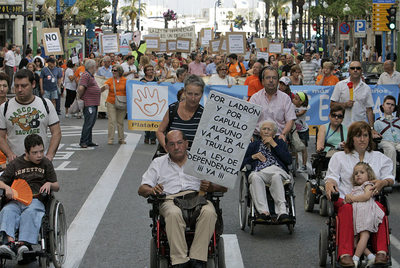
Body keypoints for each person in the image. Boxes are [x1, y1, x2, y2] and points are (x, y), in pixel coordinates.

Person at [138, 130, 226, 268]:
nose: (176, 147)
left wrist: (211, 187)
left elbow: (223, 187)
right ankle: (180, 261)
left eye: (180, 143)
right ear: (166, 147)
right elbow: (142, 189)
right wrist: (152, 189)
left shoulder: (201, 160)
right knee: (173, 214)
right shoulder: (158, 162)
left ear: (187, 143)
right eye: (172, 144)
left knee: (209, 212)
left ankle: (198, 259)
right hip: (170, 198)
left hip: (198, 196)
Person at [324, 121, 394, 267]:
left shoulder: (378, 157)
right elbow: (332, 177)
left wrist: (383, 183)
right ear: (351, 138)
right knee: (347, 209)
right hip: (346, 199)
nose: (362, 139)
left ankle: (381, 252)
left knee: (379, 209)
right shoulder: (339, 157)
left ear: (369, 138)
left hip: (369, 199)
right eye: (358, 136)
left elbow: (390, 177)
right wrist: (329, 184)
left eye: (365, 135)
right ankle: (345, 254)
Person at [0, 134, 59, 261]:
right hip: (17, 199)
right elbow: (1, 181)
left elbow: (57, 186)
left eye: (41, 151)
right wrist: (7, 188)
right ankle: (10, 243)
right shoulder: (15, 163)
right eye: (35, 152)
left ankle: (23, 243)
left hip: (36, 199)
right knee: (7, 210)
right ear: (26, 152)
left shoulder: (46, 163)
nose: (39, 155)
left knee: (30, 212)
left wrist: (49, 183)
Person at [0, 69, 61, 161]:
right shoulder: (4, 107)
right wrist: (10, 154)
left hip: (40, 162)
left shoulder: (46, 104)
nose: (19, 90)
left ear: (33, 84)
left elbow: (56, 132)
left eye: (24, 86)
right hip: (16, 164)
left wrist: (50, 155)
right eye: (17, 86)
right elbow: (0, 136)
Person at [242, 120, 292, 222]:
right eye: (263, 129)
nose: (265, 131)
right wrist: (253, 156)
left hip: (277, 170)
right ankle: (263, 212)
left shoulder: (279, 143)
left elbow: (288, 160)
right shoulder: (254, 145)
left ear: (274, 133)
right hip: (259, 172)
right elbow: (241, 163)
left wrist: (274, 145)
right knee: (255, 177)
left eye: (269, 129)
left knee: (276, 176)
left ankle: (282, 212)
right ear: (260, 132)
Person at [346, 162, 384, 267]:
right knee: (354, 242)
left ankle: (355, 259)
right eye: (356, 173)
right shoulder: (356, 188)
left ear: (368, 175)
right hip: (358, 215)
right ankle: (371, 257)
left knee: (364, 235)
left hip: (366, 213)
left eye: (362, 172)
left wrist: (352, 198)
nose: (358, 174)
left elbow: (366, 196)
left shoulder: (367, 185)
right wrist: (348, 197)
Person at [156, 75, 204, 151]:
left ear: (202, 94)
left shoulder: (204, 114)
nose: (193, 98)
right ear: (184, 92)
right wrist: (167, 148)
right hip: (172, 159)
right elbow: (160, 131)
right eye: (190, 94)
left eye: (197, 94)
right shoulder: (173, 109)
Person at [249, 66, 296, 141]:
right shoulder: (255, 98)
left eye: (274, 78)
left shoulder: (285, 98)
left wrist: (283, 134)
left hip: (278, 137)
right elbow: (249, 119)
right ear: (262, 81)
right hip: (257, 138)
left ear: (278, 81)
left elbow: (290, 120)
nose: (271, 80)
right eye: (268, 78)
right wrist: (249, 134)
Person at [330, 61, 377, 135]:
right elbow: (332, 105)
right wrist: (344, 105)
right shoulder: (340, 85)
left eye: (358, 68)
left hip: (360, 127)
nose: (355, 70)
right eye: (352, 68)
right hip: (343, 126)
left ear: (361, 70)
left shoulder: (366, 88)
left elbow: (369, 110)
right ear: (349, 70)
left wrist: (371, 128)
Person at [77, 59, 102, 148]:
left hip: (93, 102)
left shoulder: (90, 75)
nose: (96, 68)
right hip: (89, 103)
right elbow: (81, 88)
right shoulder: (86, 75)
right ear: (92, 67)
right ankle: (83, 141)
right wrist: (80, 97)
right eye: (95, 66)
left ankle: (88, 140)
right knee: (88, 122)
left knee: (91, 122)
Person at [374, 95, 400, 178]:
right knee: (390, 149)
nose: (390, 106)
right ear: (383, 106)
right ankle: (390, 177)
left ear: (394, 107)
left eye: (392, 105)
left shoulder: (398, 121)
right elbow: (375, 135)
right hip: (385, 141)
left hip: (398, 142)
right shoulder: (378, 122)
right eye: (388, 104)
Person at [101, 64, 127, 145]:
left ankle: (121, 139)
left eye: (115, 70)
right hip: (111, 101)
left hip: (122, 102)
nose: (113, 72)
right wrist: (104, 87)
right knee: (112, 121)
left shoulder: (125, 80)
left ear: (119, 71)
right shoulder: (110, 80)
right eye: (112, 70)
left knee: (120, 121)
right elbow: (104, 86)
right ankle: (110, 139)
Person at [140, 64, 160, 145]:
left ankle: (153, 137)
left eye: (152, 69)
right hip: (146, 103)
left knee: (154, 121)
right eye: (148, 70)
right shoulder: (142, 80)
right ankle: (147, 136)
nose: (151, 71)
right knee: (147, 121)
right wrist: (141, 83)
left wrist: (160, 83)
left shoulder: (156, 79)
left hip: (155, 103)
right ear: (145, 72)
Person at [292, 92, 309, 172]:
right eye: (294, 98)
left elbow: (298, 114)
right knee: (295, 148)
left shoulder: (304, 108)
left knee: (303, 148)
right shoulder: (292, 106)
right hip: (295, 130)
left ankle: (304, 165)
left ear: (301, 101)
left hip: (303, 131)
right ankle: (296, 164)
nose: (293, 100)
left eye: (296, 99)